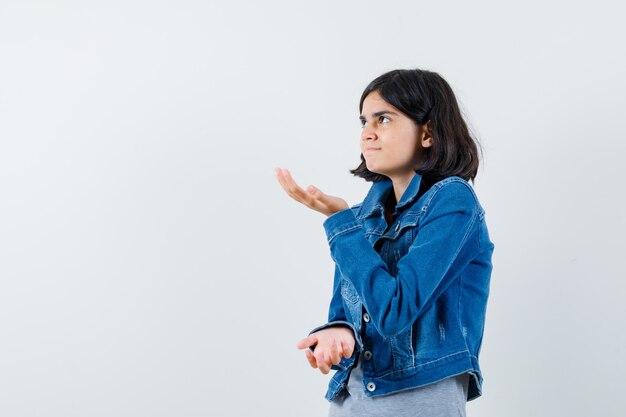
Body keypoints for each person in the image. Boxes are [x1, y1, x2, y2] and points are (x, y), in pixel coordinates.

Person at [275, 68, 495, 417]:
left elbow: (394, 311)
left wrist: (339, 223)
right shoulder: (363, 216)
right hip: (352, 395)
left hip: (417, 396)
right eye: (364, 122)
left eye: (384, 119)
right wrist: (338, 332)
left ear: (428, 133)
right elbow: (347, 309)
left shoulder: (453, 201)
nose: (367, 134)